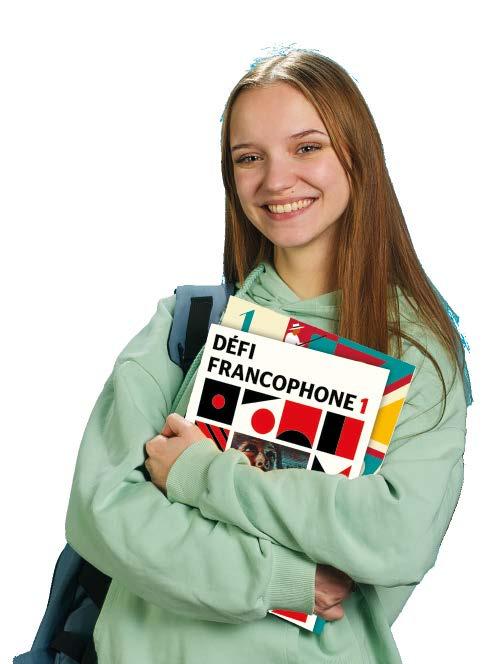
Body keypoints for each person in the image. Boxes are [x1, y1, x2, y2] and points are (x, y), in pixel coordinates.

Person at [65, 48, 473, 664]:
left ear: (358, 154)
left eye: (306, 147)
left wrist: (199, 474)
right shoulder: (188, 326)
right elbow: (102, 513)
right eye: (249, 157)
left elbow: (395, 536)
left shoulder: (419, 350)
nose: (277, 180)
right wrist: (282, 579)